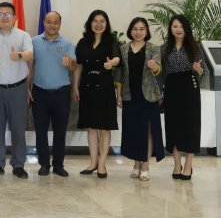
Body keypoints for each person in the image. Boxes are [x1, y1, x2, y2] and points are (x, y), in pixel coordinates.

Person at [0, 2, 33, 179]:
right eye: (1, 14)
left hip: (17, 88)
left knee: (18, 128)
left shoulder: (23, 35)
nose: (4, 17)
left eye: (8, 14)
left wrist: (19, 55)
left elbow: (30, 55)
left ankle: (18, 164)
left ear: (15, 17)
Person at [27, 11, 76, 177]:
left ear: (60, 24)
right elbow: (29, 67)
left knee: (60, 131)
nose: (52, 25)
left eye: (55, 22)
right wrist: (27, 88)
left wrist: (69, 63)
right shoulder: (34, 42)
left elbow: (74, 67)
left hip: (61, 94)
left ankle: (58, 165)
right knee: (40, 131)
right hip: (39, 93)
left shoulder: (67, 44)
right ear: (44, 23)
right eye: (49, 22)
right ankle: (44, 164)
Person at [116, 17, 164, 181]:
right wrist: (118, 94)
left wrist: (154, 67)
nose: (138, 32)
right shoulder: (123, 49)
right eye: (135, 29)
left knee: (148, 131)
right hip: (130, 96)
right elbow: (120, 75)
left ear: (146, 31)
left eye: (142, 29)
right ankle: (136, 164)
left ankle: (145, 166)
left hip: (149, 96)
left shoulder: (154, 48)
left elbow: (159, 71)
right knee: (134, 131)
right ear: (130, 31)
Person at [74, 9, 120, 179]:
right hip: (87, 85)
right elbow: (78, 65)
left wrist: (111, 63)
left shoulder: (111, 41)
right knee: (92, 127)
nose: (98, 24)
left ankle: (102, 164)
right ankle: (93, 162)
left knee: (104, 127)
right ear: (90, 23)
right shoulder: (83, 42)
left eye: (102, 21)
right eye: (95, 21)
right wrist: (75, 86)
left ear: (106, 24)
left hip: (105, 86)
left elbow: (117, 59)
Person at [160, 14, 207, 181]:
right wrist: (160, 94)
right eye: (175, 26)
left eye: (181, 26)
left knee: (190, 126)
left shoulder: (195, 48)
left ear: (186, 28)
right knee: (173, 126)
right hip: (171, 90)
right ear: (170, 29)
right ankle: (176, 164)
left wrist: (199, 70)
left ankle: (188, 165)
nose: (178, 29)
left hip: (190, 90)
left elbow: (202, 72)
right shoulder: (164, 48)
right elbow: (161, 74)